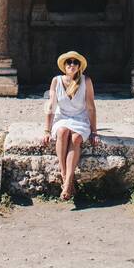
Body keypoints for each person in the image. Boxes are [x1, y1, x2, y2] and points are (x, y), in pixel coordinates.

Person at [41, 51, 98, 199]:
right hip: (62, 117)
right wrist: (47, 130)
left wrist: (94, 132)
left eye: (75, 62)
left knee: (76, 138)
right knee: (62, 132)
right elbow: (51, 106)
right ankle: (65, 177)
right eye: (69, 62)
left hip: (80, 119)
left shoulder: (86, 81)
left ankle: (66, 184)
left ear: (79, 66)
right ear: (64, 66)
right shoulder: (56, 81)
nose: (72, 65)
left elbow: (91, 107)